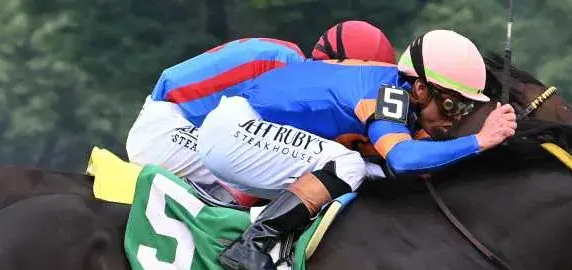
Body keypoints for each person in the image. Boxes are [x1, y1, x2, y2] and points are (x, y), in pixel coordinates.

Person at [197, 29, 517, 270]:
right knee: (348, 165)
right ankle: (252, 245)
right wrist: (479, 141)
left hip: (248, 136)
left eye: (463, 109)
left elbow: (414, 166)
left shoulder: (405, 103)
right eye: (450, 105)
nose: (453, 119)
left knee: (368, 172)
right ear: (420, 88)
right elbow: (403, 159)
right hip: (236, 131)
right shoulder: (387, 93)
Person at [124, 21, 397, 204]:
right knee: (282, 168)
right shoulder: (290, 73)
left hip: (182, 122)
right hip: (168, 128)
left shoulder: (294, 66)